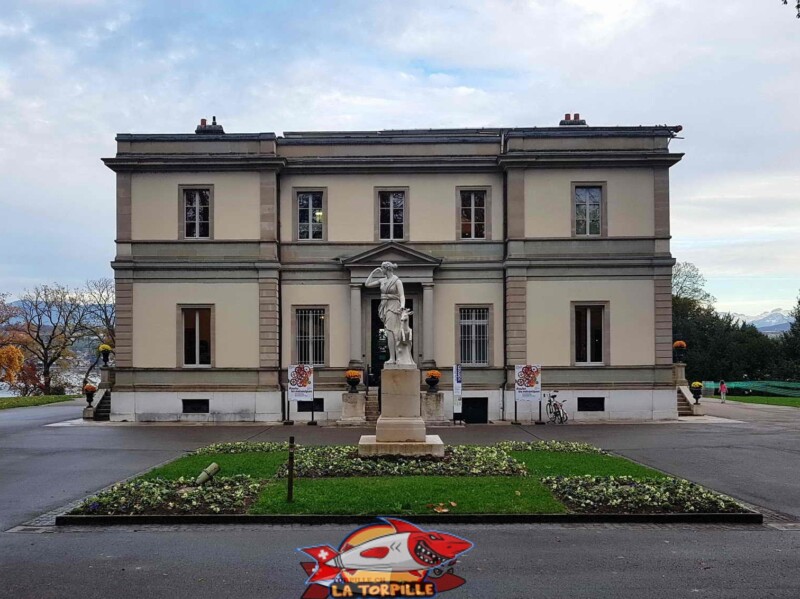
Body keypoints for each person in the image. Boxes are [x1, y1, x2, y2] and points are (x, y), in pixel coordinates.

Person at [364, 261, 409, 365]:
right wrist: (373, 273)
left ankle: (398, 358)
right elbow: (367, 284)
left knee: (395, 332)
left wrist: (402, 306)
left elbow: (402, 295)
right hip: (384, 306)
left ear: (387, 269)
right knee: (389, 332)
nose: (381, 270)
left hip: (394, 306)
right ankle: (392, 358)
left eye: (382, 269)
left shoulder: (397, 281)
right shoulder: (382, 280)